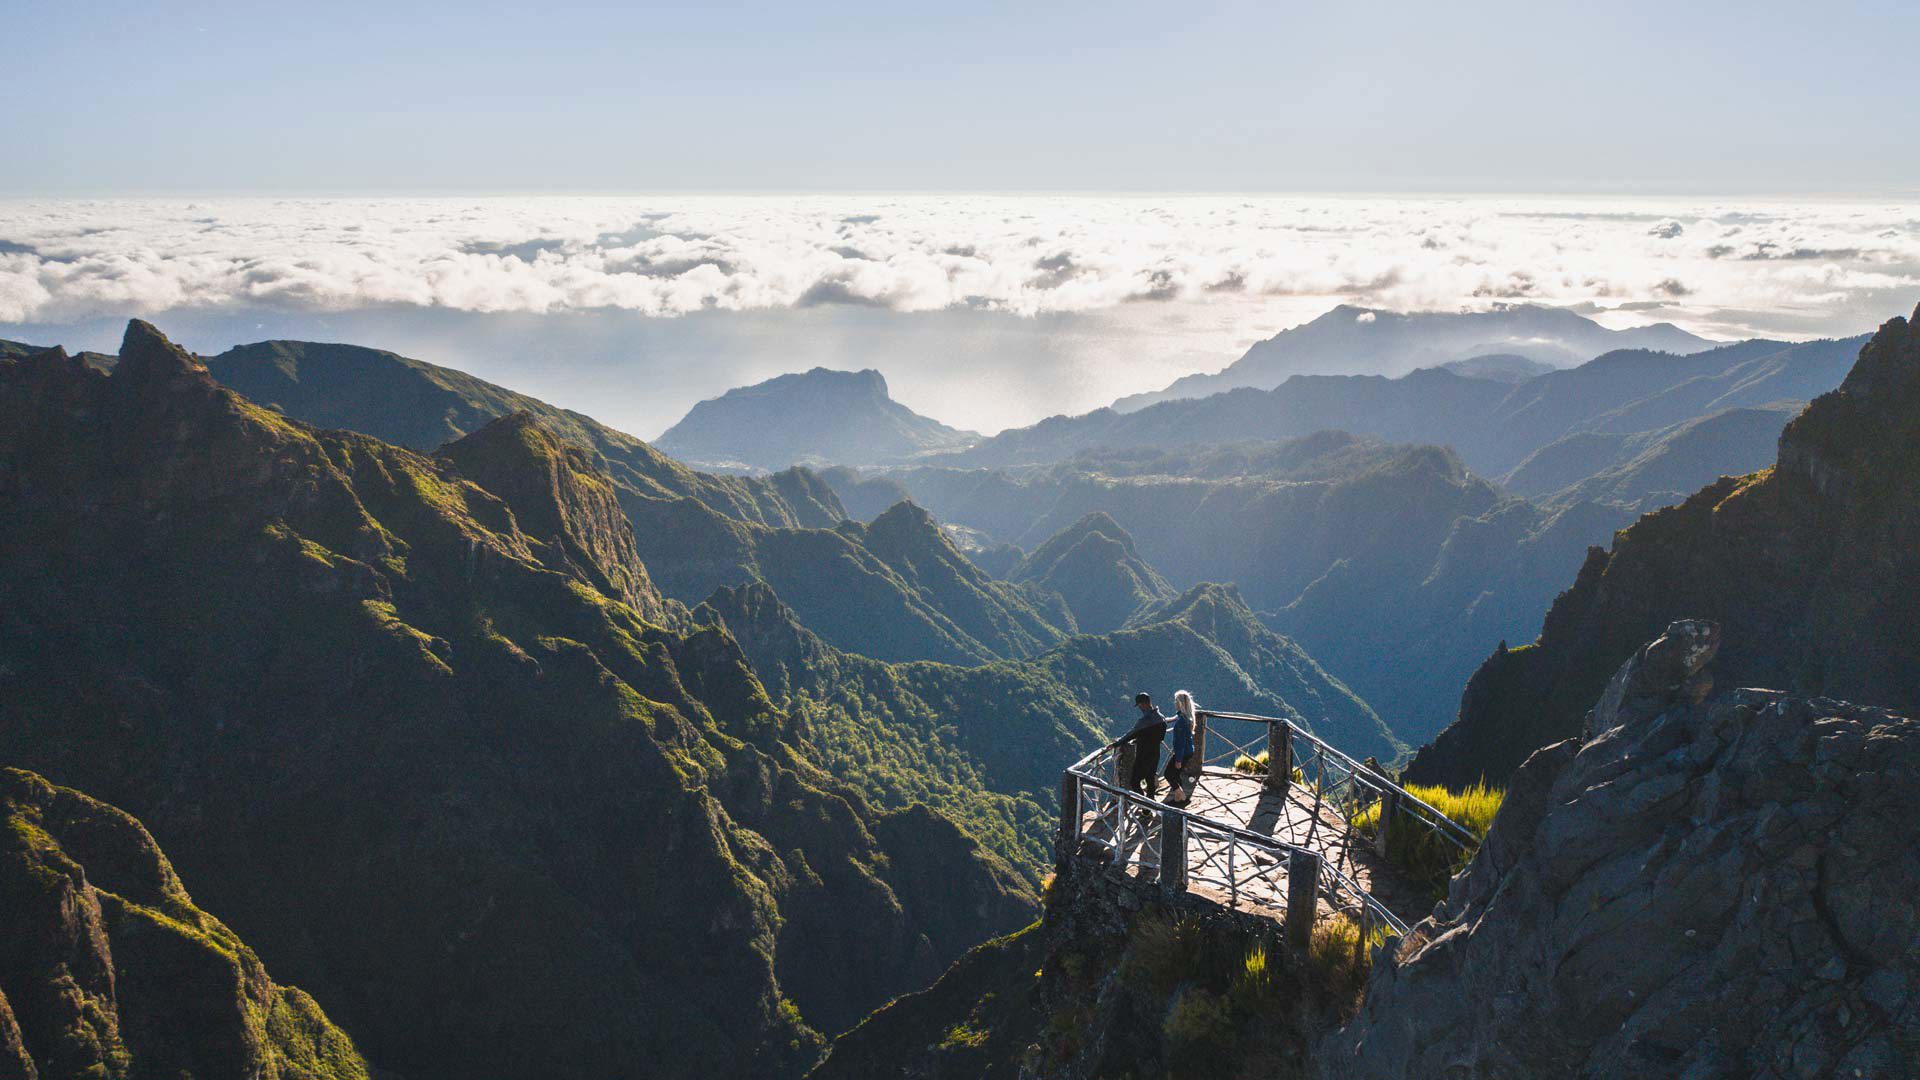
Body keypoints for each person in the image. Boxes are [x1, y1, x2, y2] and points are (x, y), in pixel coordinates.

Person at [1114, 692, 1168, 799]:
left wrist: (1116, 743)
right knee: (1150, 779)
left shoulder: (1144, 721)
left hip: (1143, 755)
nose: (1139, 708)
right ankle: (1150, 803)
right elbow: (1161, 737)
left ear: (1143, 704)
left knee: (1134, 781)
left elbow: (1131, 734)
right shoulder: (1161, 718)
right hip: (1155, 753)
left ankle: (1144, 805)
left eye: (1139, 705)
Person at [1162, 690, 1198, 804]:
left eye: (1176, 701)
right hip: (1188, 751)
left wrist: (1178, 760)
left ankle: (1182, 797)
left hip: (1183, 753)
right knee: (1176, 775)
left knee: (1168, 774)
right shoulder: (1186, 718)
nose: (1174, 703)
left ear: (1180, 703)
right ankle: (1178, 799)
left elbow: (1180, 743)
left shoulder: (1181, 722)